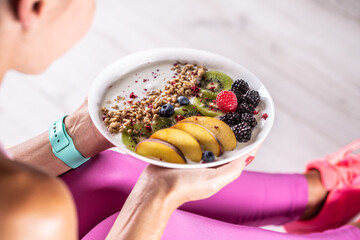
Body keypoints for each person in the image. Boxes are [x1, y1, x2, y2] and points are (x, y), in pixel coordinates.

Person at [0, 0, 359, 239]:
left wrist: (77, 133)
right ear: (35, 6)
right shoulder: (29, 208)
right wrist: (156, 196)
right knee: (167, 229)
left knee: (103, 173)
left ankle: (317, 196)